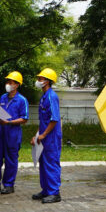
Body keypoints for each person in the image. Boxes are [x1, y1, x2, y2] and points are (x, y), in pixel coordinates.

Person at [0, 71, 29, 195]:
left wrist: (9, 122)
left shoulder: (22, 100)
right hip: (1, 133)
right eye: (7, 82)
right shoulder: (3, 97)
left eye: (11, 82)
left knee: (11, 159)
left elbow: (24, 119)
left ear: (17, 85)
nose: (8, 84)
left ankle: (9, 185)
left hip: (13, 134)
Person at [31, 67, 62, 204]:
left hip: (51, 137)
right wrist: (37, 135)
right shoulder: (44, 97)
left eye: (41, 79)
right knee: (43, 163)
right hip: (44, 136)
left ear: (48, 81)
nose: (38, 81)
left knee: (51, 163)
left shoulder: (51, 96)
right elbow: (43, 120)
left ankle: (54, 193)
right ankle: (46, 190)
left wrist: (44, 134)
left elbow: (54, 119)